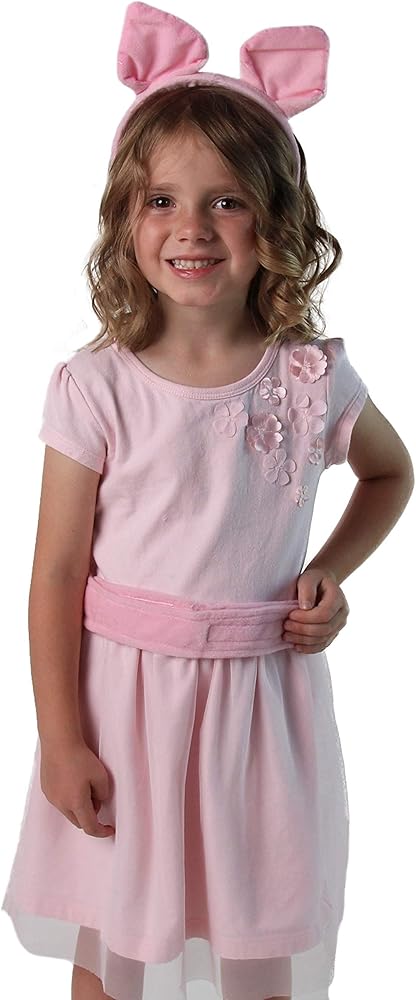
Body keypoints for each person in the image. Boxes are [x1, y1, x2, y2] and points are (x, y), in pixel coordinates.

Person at [1, 4, 414, 1000]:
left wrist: (328, 574)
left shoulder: (310, 379)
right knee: (115, 948)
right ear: (124, 219)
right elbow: (56, 573)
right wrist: (61, 737)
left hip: (257, 718)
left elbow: (390, 472)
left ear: (277, 219)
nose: (190, 226)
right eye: (161, 200)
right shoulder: (95, 387)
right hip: (122, 711)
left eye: (226, 201)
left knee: (255, 944)